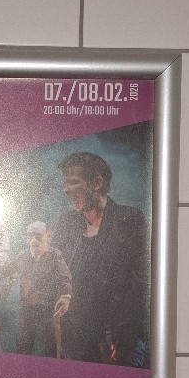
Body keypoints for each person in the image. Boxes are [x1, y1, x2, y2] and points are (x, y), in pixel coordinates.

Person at [52, 152, 148, 365]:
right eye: (65, 183)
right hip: (76, 334)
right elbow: (55, 273)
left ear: (97, 183)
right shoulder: (66, 223)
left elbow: (141, 282)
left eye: (73, 182)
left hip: (116, 334)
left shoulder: (130, 220)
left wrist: (125, 332)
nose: (66, 189)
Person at [11, 221, 72, 357]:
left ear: (48, 236)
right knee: (23, 346)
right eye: (30, 236)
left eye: (38, 235)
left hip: (49, 308)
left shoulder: (55, 255)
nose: (33, 240)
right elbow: (10, 271)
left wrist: (65, 297)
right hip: (27, 307)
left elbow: (65, 278)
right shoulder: (22, 256)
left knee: (51, 347)